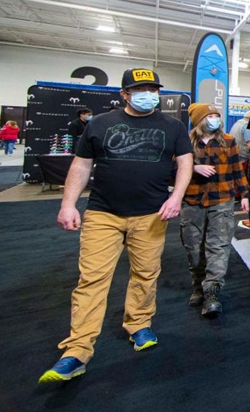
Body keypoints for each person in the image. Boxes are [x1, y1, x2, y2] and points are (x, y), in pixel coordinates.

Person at [38, 68, 193, 383]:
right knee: (92, 279)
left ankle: (139, 325)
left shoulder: (173, 126)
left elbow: (185, 163)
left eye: (153, 88)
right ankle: (77, 351)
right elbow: (81, 164)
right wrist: (68, 204)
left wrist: (176, 197)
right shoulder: (100, 124)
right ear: (124, 94)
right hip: (103, 214)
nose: (148, 94)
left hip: (151, 215)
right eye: (140, 89)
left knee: (146, 274)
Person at [182, 103, 249, 318]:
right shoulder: (185, 142)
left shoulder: (228, 142)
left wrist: (245, 194)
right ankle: (198, 288)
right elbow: (170, 168)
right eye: (210, 116)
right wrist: (192, 168)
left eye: (216, 115)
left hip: (222, 199)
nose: (214, 119)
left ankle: (212, 293)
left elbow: (237, 170)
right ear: (200, 120)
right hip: (192, 200)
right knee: (194, 247)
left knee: (218, 245)